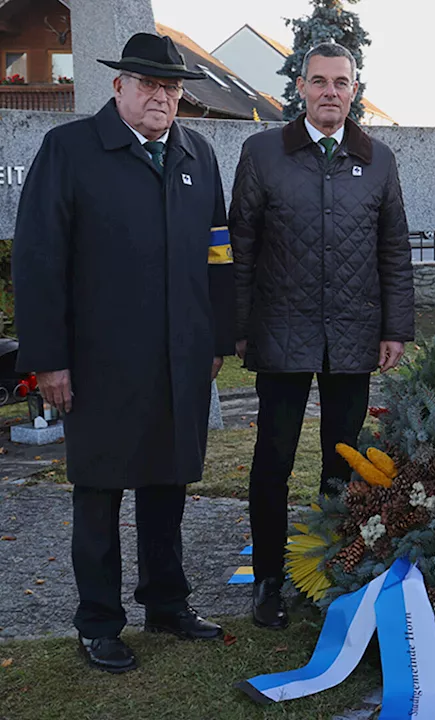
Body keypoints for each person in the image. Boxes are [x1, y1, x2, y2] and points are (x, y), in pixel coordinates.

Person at [12, 33, 234, 673]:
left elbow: (219, 250)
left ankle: (166, 602)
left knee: (168, 482)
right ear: (119, 88)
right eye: (148, 84)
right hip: (100, 360)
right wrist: (48, 359)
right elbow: (38, 260)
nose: (161, 97)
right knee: (100, 489)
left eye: (171, 88)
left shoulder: (198, 153)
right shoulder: (70, 150)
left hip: (181, 354)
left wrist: (218, 337)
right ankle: (99, 622)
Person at [229, 40, 414, 631]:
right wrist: (238, 327)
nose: (329, 91)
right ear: (300, 88)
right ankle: (268, 579)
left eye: (341, 82)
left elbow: (393, 249)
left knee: (343, 458)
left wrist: (395, 326)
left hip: (353, 335)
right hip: (281, 332)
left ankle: (333, 568)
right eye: (319, 81)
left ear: (354, 91)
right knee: (274, 458)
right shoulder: (263, 153)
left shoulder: (378, 159)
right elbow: (241, 248)